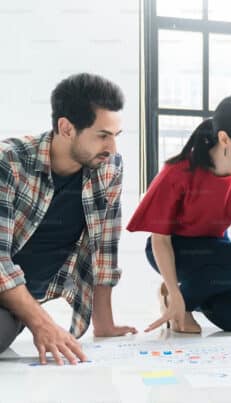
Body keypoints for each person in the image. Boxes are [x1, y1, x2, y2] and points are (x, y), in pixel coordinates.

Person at [127, 93, 231, 339]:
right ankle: (175, 298)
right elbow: (160, 239)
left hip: (214, 245)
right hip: (174, 248)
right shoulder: (178, 172)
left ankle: (184, 296)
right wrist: (175, 286)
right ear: (224, 138)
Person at [0, 73, 136, 365]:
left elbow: (104, 248)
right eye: (102, 135)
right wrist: (42, 323)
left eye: (115, 136)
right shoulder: (8, 162)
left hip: (16, 300)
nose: (112, 148)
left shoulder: (108, 167)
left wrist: (105, 323)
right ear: (66, 128)